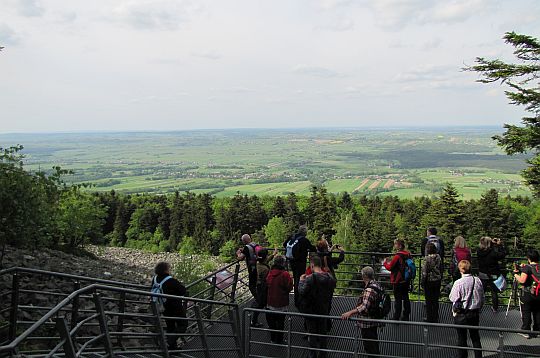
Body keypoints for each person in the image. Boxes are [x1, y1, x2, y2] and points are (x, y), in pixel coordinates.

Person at [298, 255, 336, 358]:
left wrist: (301, 281)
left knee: (312, 333)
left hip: (311, 309)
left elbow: (302, 291)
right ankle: (323, 354)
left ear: (312, 265)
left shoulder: (310, 278)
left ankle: (312, 355)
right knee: (322, 333)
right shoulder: (330, 277)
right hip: (324, 308)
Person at [341, 266, 384, 357]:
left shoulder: (369, 289)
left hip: (367, 323)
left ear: (364, 276)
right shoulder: (377, 284)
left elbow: (364, 307)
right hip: (374, 320)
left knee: (370, 347)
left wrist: (350, 312)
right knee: (373, 344)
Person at [449, 260, 484, 358]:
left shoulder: (458, 283)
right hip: (474, 312)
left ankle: (462, 356)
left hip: (462, 313)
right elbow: (482, 296)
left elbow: (453, 298)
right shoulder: (477, 280)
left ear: (460, 269)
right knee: (475, 337)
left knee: (461, 338)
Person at [151, 261, 188, 351]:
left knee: (170, 326)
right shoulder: (171, 280)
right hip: (175, 307)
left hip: (163, 307)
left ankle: (172, 349)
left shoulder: (155, 279)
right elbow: (183, 291)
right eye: (169, 268)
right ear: (166, 270)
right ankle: (169, 341)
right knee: (183, 324)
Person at [283, 225, 316, 307]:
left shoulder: (292, 237)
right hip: (300, 263)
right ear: (304, 232)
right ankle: (298, 300)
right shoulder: (304, 240)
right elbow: (312, 248)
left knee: (296, 278)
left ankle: (296, 299)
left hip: (292, 261)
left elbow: (284, 244)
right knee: (299, 280)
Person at [266, 255, 293, 344]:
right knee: (280, 322)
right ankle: (279, 339)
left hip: (271, 301)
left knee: (272, 322)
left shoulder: (270, 272)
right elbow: (289, 287)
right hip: (282, 301)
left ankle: (273, 338)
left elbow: (267, 283)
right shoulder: (285, 274)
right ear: (283, 263)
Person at [513, 249, 540, 338]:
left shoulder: (527, 268)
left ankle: (526, 330)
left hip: (528, 294)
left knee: (526, 312)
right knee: (537, 312)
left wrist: (516, 275)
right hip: (538, 293)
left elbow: (522, 280)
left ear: (528, 258)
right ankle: (537, 330)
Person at [384, 239, 411, 321]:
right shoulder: (408, 254)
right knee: (406, 297)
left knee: (398, 299)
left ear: (399, 246)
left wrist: (385, 263)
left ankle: (396, 316)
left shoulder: (397, 256)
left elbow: (390, 267)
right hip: (406, 279)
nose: (394, 246)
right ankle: (406, 315)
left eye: (395, 244)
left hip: (398, 280)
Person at [477, 236, 506, 312]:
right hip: (493, 274)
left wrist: (491, 243)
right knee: (494, 292)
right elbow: (502, 255)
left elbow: (486, 249)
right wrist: (499, 245)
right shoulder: (492, 253)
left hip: (482, 274)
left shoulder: (479, 251)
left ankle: (478, 307)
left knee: (481, 292)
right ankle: (495, 308)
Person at [251, 247, 278, 327]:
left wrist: (274, 254)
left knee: (261, 303)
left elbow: (266, 260)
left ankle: (254, 320)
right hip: (263, 288)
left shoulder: (258, 263)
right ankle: (267, 323)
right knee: (263, 304)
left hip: (259, 287)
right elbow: (267, 280)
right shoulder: (265, 269)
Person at [422, 242, 442, 323]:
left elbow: (424, 272)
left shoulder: (427, 259)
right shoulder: (438, 257)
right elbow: (441, 268)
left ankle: (430, 317)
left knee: (429, 300)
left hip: (429, 281)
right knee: (435, 299)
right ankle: (436, 316)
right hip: (437, 280)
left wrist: (423, 281)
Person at [236, 234, 259, 300]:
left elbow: (241, 258)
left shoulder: (247, 248)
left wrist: (238, 254)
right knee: (259, 285)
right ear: (250, 239)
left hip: (252, 269)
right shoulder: (254, 244)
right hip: (259, 266)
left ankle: (258, 300)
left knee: (251, 286)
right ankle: (261, 299)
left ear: (244, 241)